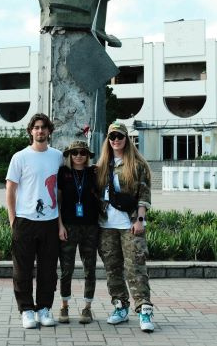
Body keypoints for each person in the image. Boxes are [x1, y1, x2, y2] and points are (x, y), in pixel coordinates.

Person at [6, 113, 63, 329]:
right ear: (31, 131)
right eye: (36, 127)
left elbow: (59, 192)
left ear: (49, 131)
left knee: (48, 269)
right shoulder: (19, 157)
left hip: (49, 221)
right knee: (23, 269)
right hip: (25, 221)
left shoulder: (57, 156)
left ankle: (44, 309)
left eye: (44, 127)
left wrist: (60, 223)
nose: (40, 131)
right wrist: (13, 221)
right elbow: (10, 190)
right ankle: (27, 310)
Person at [97, 122, 154, 332]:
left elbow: (144, 196)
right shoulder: (102, 165)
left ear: (126, 138)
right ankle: (120, 306)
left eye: (119, 136)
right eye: (112, 137)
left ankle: (144, 310)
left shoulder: (137, 165)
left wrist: (140, 221)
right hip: (106, 226)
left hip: (130, 224)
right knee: (112, 269)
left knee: (136, 267)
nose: (115, 140)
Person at [57, 141, 99, 324]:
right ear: (69, 155)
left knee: (89, 268)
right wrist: (60, 225)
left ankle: (87, 308)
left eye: (83, 153)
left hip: (90, 227)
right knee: (67, 269)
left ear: (88, 156)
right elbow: (58, 201)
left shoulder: (94, 173)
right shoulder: (63, 173)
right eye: (75, 152)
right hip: (69, 226)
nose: (79, 156)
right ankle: (64, 306)